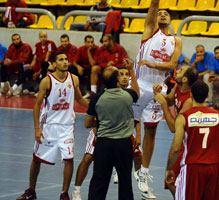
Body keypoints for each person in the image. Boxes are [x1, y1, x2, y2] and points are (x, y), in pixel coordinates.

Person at [16, 52, 89, 200]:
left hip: (67, 126)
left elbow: (80, 99)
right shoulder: (47, 81)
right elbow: (37, 106)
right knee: (37, 159)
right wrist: (37, 128)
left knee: (69, 159)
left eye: (66, 59)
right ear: (54, 64)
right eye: (61, 60)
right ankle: (31, 190)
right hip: (48, 125)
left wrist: (96, 107)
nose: (65, 62)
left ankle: (64, 193)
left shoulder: (73, 79)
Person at [132, 0, 182, 197]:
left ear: (171, 19)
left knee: (150, 131)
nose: (162, 14)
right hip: (138, 85)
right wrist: (155, 5)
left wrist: (151, 64)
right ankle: (122, 166)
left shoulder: (176, 41)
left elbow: (172, 65)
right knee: (129, 128)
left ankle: (144, 174)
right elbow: (153, 6)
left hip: (156, 88)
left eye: (166, 13)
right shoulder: (150, 30)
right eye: (159, 12)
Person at [71, 64, 142, 200]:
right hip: (123, 144)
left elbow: (87, 123)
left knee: (99, 182)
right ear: (117, 80)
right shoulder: (128, 95)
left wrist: (102, 121)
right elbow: (137, 94)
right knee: (125, 182)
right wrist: (132, 72)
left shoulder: (97, 98)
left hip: (103, 144)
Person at [165, 80, 219, 200]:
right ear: (208, 95)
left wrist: (169, 168)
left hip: (192, 168)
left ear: (191, 95)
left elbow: (176, 148)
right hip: (213, 168)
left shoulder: (184, 117)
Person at [153, 65, 198, 196]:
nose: (177, 70)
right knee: (172, 181)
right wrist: (159, 92)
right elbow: (169, 99)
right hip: (183, 141)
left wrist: (163, 104)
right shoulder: (178, 88)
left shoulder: (189, 100)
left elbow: (173, 127)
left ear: (184, 79)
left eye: (180, 70)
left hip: (188, 146)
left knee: (171, 181)